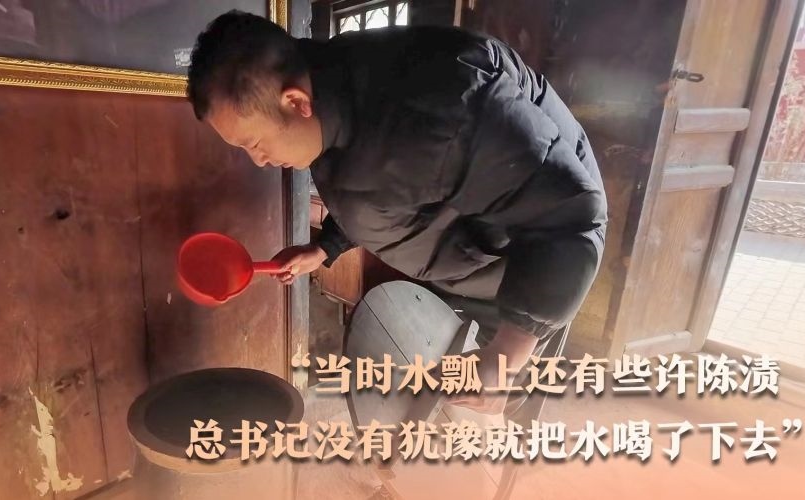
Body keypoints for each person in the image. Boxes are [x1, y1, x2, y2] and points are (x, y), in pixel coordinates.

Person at [186, 11, 607, 415]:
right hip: (470, 257)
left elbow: (566, 216)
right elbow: (379, 186)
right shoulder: (329, 92)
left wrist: (510, 352)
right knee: (452, 390)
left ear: (295, 102)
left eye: (254, 144)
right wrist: (325, 247)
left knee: (501, 395)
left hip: (541, 263)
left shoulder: (445, 109)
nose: (259, 160)